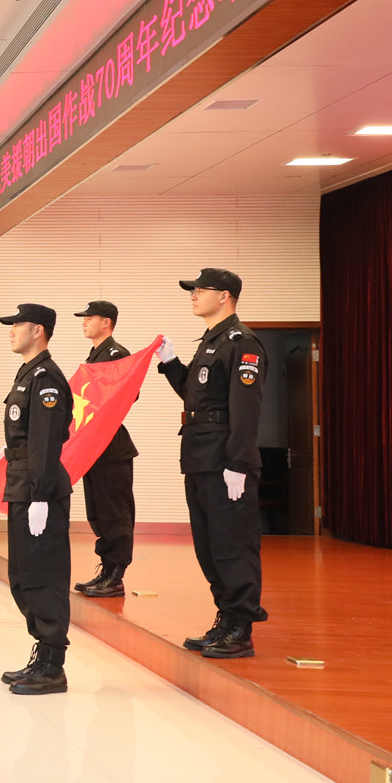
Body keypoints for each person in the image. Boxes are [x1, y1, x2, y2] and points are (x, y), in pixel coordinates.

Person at [156, 268, 267, 659]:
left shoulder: (242, 343)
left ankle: (240, 627)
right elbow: (194, 393)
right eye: (193, 290)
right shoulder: (210, 342)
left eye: (200, 290)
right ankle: (226, 616)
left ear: (224, 296)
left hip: (224, 461)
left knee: (232, 545)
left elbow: (246, 410)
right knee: (209, 546)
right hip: (199, 457)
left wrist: (238, 462)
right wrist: (171, 363)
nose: (193, 295)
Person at [0, 303, 74, 696]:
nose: (11, 331)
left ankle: (53, 667)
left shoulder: (47, 378)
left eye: (17, 325)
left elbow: (44, 441)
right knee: (23, 576)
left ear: (38, 330)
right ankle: (42, 654)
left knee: (44, 575)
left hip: (38, 487)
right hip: (22, 482)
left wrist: (40, 495)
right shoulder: (28, 374)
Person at [73, 301, 139, 599]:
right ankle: (107, 568)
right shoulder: (95, 355)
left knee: (115, 513)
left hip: (111, 447)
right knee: (98, 512)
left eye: (90, 318)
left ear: (106, 322)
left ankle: (116, 575)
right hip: (93, 446)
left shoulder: (116, 354)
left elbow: (130, 393)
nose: (84, 322)